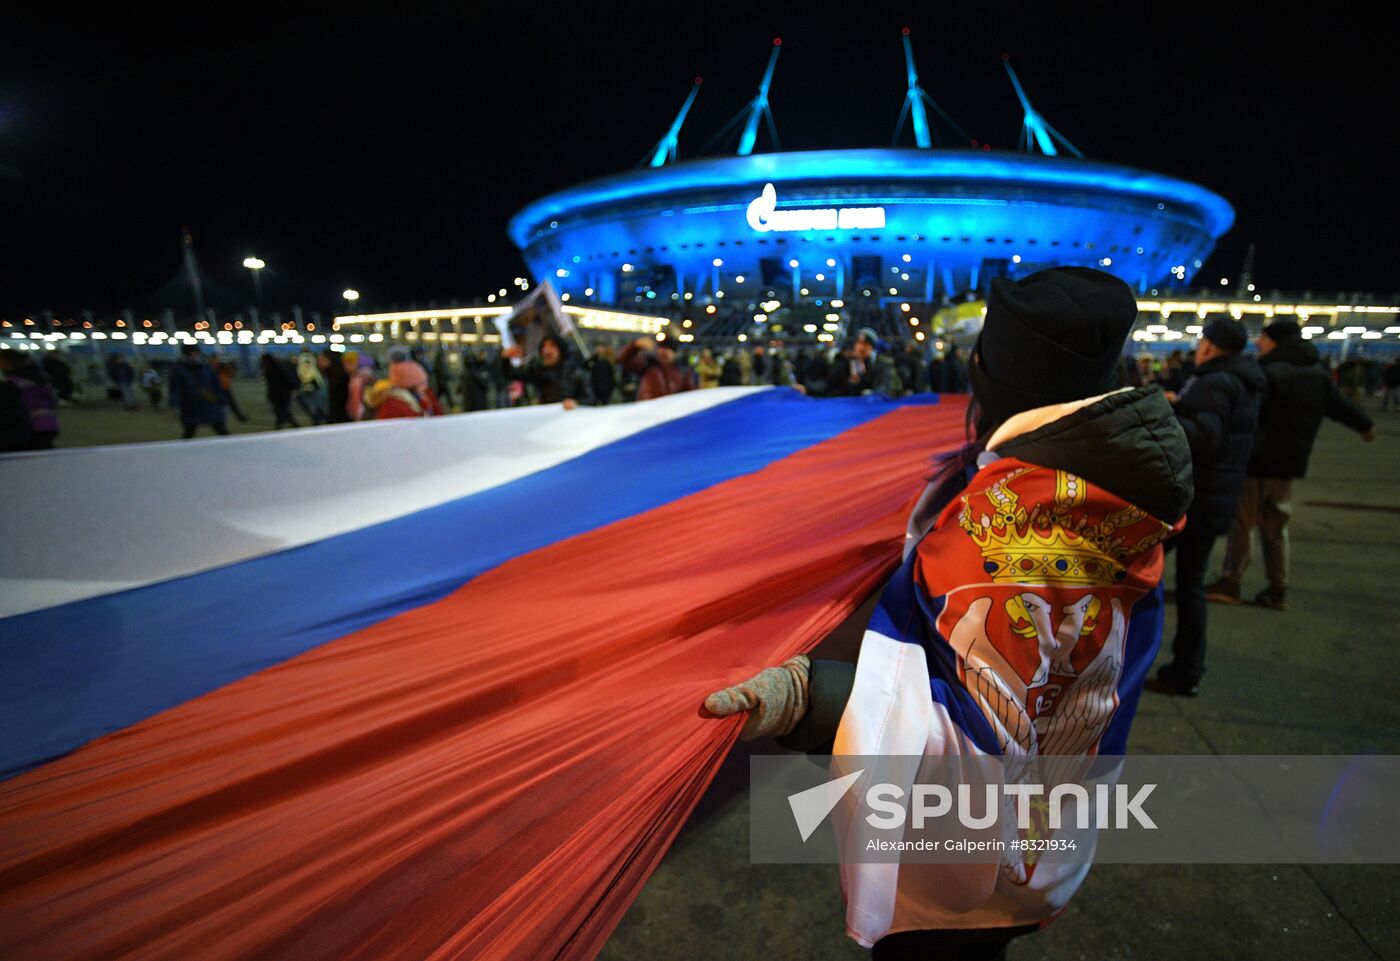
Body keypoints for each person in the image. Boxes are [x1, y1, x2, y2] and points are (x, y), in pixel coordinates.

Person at [702, 268, 1192, 958]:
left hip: (964, 873)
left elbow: (971, 760)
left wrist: (812, 699)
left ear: (990, 372)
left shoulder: (994, 532)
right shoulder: (1109, 492)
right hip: (1055, 837)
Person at [1206, 321, 1374, 610]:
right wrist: (1364, 425)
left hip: (1256, 462)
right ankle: (1277, 588)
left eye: (1264, 339)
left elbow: (1247, 415)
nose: (1259, 344)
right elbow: (1339, 406)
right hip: (1288, 465)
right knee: (1275, 527)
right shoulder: (1318, 374)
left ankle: (1231, 581)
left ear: (1276, 342)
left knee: (1242, 524)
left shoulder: (1270, 373)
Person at [1149, 318, 1264, 697]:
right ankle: (1187, 669)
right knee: (1190, 583)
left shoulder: (1214, 380)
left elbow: (1204, 435)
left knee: (1135, 571)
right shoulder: (1244, 381)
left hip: (1197, 497)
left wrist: (1170, 412)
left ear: (1210, 346)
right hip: (1219, 495)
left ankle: (1168, 665)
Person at [500, 334, 587, 408]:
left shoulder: (575, 372)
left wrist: (576, 403)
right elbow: (511, 374)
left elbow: (590, 398)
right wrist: (505, 359)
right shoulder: (539, 372)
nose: (546, 350)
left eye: (552, 346)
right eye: (544, 346)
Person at [0, 347, 60, 449]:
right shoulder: (37, 375)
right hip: (48, 423)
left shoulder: (13, 382)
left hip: (32, 426)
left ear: (6, 362)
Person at [168, 344, 229, 439]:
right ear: (185, 356)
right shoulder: (178, 371)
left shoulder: (208, 369)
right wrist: (175, 405)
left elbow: (217, 387)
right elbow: (175, 389)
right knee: (189, 431)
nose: (193, 357)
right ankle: (184, 451)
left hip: (210, 404)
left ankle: (231, 446)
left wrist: (223, 402)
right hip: (190, 406)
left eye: (195, 354)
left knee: (220, 429)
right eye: (190, 355)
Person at [822, 328, 902, 398]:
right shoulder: (851, 362)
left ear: (872, 347)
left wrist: (872, 395)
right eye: (858, 343)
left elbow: (886, 389)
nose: (860, 347)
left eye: (865, 344)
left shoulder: (884, 363)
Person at [618, 336, 695, 401]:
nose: (663, 352)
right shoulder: (648, 364)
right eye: (661, 348)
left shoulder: (682, 371)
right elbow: (623, 359)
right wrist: (636, 345)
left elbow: (689, 395)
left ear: (675, 353)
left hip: (671, 413)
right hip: (648, 412)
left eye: (667, 349)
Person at [375, 359, 443, 419]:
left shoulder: (420, 398)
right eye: (421, 384)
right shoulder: (391, 407)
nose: (425, 387)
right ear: (410, 387)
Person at [260, 354, 300, 429]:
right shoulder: (275, 368)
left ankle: (285, 424)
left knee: (282, 410)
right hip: (279, 394)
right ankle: (287, 424)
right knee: (283, 410)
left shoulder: (273, 369)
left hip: (280, 394)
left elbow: (283, 380)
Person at [295, 350, 328, 425]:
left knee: (315, 410)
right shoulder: (314, 371)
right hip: (311, 392)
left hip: (314, 393)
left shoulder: (305, 370)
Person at [214, 356, 251, 423]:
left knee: (232, 404)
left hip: (225, 389)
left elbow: (231, 373)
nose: (225, 365)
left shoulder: (228, 370)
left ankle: (239, 417)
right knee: (218, 405)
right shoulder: (218, 369)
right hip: (218, 389)